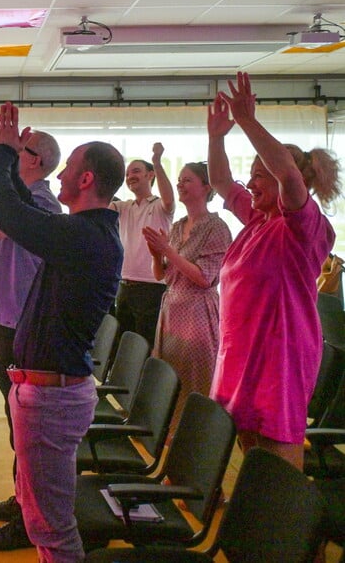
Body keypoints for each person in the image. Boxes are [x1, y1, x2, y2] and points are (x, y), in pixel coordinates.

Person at [0, 102, 125, 561]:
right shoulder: (85, 231)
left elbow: (3, 207)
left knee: (53, 530)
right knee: (45, 520)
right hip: (46, 394)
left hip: (51, 400)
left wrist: (1, 154)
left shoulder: (86, 237)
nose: (59, 176)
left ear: (87, 180)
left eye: (68, 170)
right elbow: (20, 207)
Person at [208, 72, 339, 470]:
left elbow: (288, 175)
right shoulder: (256, 221)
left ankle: (285, 527)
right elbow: (220, 181)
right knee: (249, 446)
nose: (250, 182)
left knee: (278, 457)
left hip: (279, 354)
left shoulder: (302, 226)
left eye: (258, 174)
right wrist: (217, 137)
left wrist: (247, 120)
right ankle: (258, 519)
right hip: (241, 351)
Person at [0, 125, 63, 550]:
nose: (12, 154)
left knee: (25, 430)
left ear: (34, 161)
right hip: (9, 324)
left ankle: (29, 519)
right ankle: (23, 500)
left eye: (19, 149)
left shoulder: (37, 202)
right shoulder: (27, 200)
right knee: (16, 425)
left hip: (22, 328)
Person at [142, 162, 232, 433]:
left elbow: (204, 278)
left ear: (206, 187)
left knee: (195, 378)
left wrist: (167, 251)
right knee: (170, 376)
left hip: (197, 311)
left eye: (187, 180)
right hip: (171, 308)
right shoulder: (179, 225)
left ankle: (196, 439)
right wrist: (157, 255)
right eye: (179, 180)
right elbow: (162, 276)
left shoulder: (216, 227)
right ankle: (168, 436)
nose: (180, 184)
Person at [111, 144, 175, 345]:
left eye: (136, 171)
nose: (130, 176)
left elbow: (169, 198)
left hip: (152, 288)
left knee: (146, 347)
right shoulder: (123, 206)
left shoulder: (159, 205)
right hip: (124, 286)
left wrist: (157, 161)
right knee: (121, 347)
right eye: (128, 173)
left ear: (150, 175)